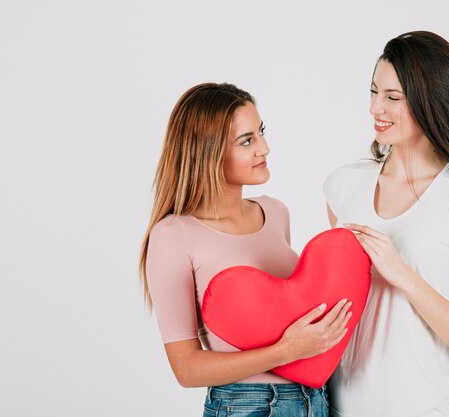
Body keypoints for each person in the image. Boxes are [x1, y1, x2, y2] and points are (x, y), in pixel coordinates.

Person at [139, 82, 352, 417]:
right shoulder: (173, 236)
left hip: (317, 398)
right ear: (207, 152)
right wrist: (285, 351)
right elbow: (186, 368)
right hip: (245, 405)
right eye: (247, 140)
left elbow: (288, 303)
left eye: (261, 132)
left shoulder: (276, 212)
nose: (264, 148)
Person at [323, 31, 449, 417]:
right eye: (374, 92)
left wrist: (402, 274)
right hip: (333, 407)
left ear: (431, 101)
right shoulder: (343, 185)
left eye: (392, 98)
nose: (377, 107)